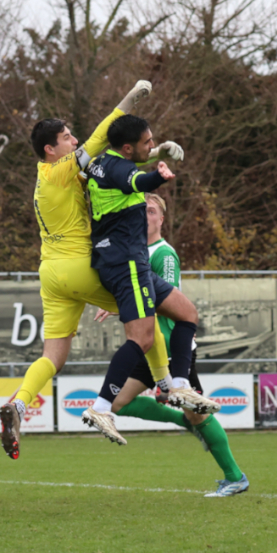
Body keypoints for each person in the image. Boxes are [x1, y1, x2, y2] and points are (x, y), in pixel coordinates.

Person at [0, 81, 211, 459]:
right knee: (145, 319)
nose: (74, 140)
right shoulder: (61, 170)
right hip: (83, 265)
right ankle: (167, 385)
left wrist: (154, 152)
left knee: (53, 356)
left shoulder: (48, 179)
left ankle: (18, 404)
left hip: (50, 274)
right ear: (51, 149)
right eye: (66, 137)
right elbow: (102, 137)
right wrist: (133, 95)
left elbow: (114, 169)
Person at [95, 193, 248, 496]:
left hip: (169, 344)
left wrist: (120, 305)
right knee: (116, 404)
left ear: (161, 219)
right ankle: (188, 424)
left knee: (197, 412)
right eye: (141, 211)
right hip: (147, 343)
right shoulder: (135, 251)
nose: (145, 215)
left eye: (151, 211)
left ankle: (235, 477)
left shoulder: (163, 254)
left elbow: (169, 301)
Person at [80, 115, 216, 442]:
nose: (151, 145)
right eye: (147, 142)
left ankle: (180, 387)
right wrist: (159, 176)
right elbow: (138, 181)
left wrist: (158, 153)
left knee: (187, 314)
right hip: (126, 263)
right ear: (127, 148)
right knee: (141, 339)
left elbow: (128, 168)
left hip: (123, 261)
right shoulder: (120, 171)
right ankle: (100, 407)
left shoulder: (100, 163)